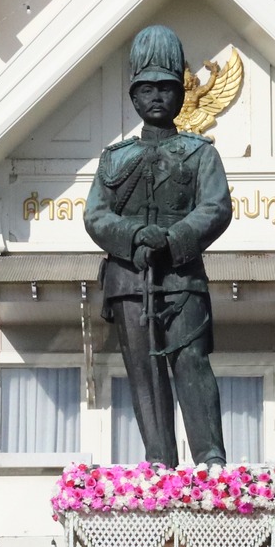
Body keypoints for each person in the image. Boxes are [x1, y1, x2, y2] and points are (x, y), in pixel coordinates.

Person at [83, 25, 233, 466]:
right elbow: (95, 214)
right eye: (146, 88)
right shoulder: (115, 158)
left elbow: (216, 207)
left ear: (180, 94)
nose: (156, 97)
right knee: (144, 375)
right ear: (133, 96)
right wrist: (132, 238)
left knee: (191, 363)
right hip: (128, 281)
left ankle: (211, 464)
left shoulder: (200, 154)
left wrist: (171, 239)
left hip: (182, 277)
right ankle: (159, 464)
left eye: (166, 88)